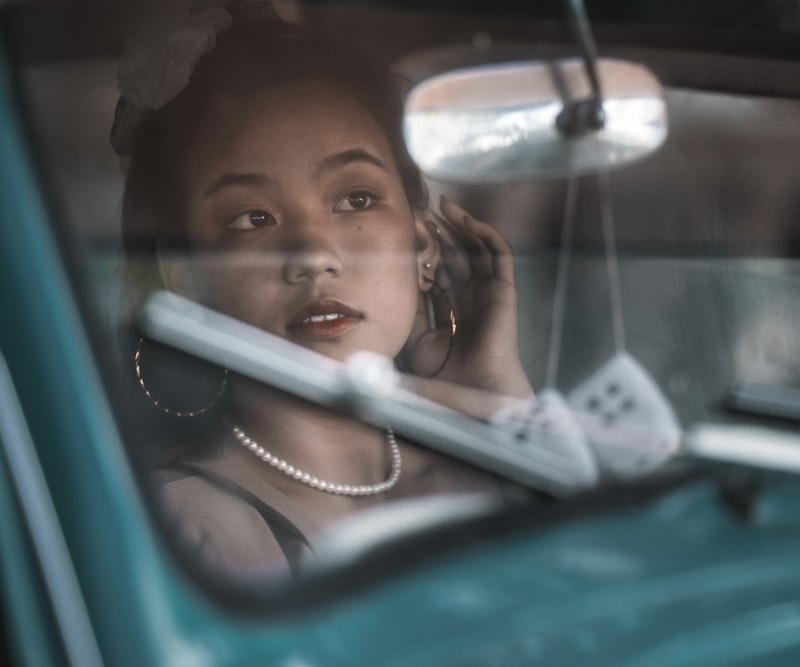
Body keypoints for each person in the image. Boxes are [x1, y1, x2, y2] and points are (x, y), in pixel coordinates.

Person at [114, 1, 533, 574]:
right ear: (181, 278)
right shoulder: (192, 525)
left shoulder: (485, 464)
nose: (313, 255)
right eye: (251, 219)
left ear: (424, 250)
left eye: (355, 200)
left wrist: (495, 395)